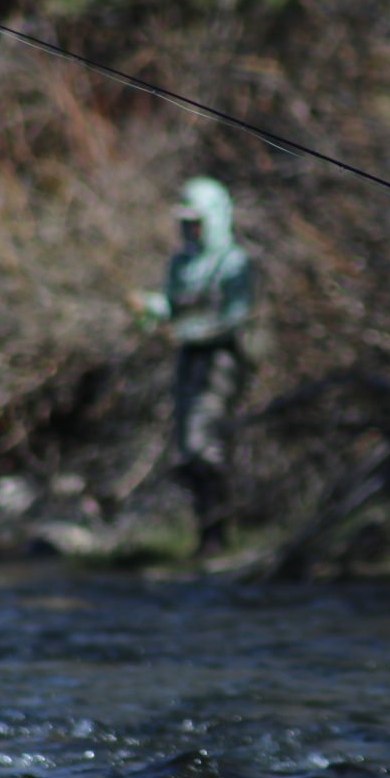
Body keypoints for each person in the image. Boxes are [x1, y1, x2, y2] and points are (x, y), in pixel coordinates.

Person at [134, 176, 255, 556]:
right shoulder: (181, 262)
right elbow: (171, 305)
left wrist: (190, 331)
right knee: (186, 449)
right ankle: (207, 534)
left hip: (221, 360)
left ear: (217, 218)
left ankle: (217, 535)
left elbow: (237, 317)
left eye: (197, 220)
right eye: (186, 221)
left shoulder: (235, 263)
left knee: (206, 447)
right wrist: (149, 309)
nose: (191, 228)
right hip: (188, 359)